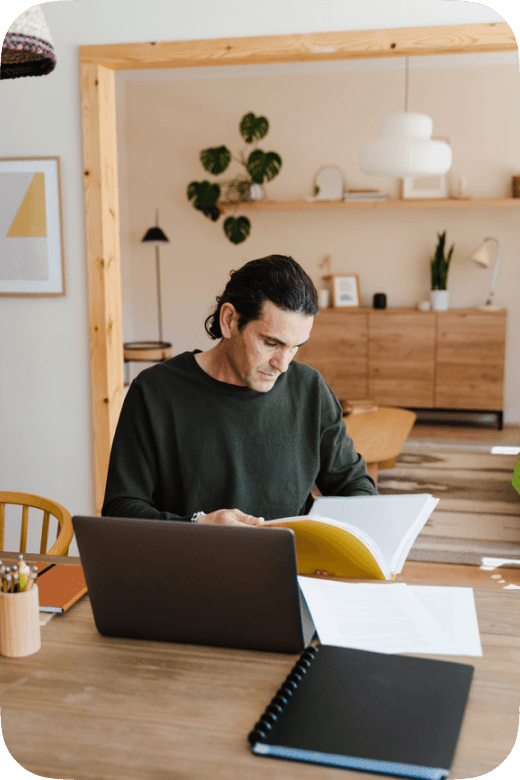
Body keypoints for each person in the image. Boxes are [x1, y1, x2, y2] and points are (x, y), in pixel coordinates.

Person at [102, 254, 377, 526]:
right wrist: (198, 526)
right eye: (271, 343)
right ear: (229, 320)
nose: (282, 365)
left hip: (293, 566)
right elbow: (120, 509)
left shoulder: (309, 389)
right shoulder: (154, 392)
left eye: (295, 347)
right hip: (189, 565)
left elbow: (354, 486)